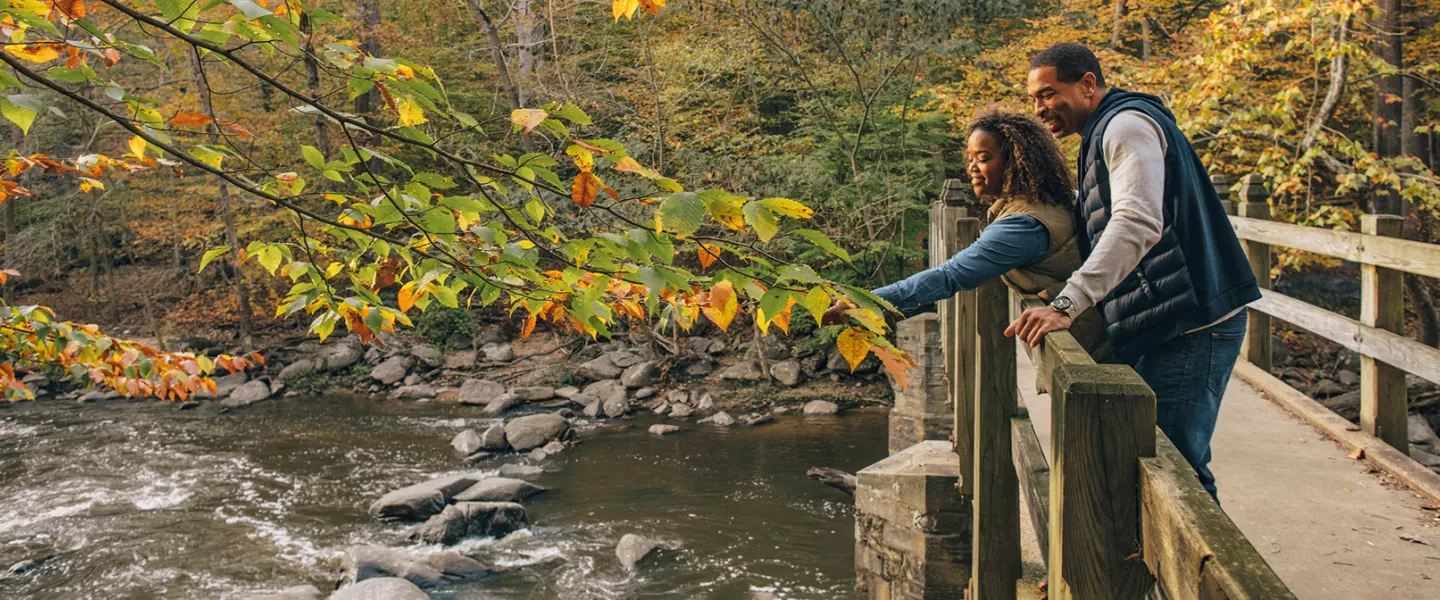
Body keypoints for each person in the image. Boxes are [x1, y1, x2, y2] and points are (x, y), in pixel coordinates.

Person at [1005, 43, 1261, 501]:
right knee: (1147, 460)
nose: (1040, 108)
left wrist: (1068, 302)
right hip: (1165, 319)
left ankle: (1207, 571)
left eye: (1048, 94)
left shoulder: (1125, 126)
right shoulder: (1101, 134)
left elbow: (1137, 220)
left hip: (1193, 323)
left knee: (1176, 471)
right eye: (1034, 98)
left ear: (1087, 85)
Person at [824, 109, 1109, 360]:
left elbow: (950, 276)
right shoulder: (1057, 199)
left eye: (984, 158)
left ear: (1017, 161)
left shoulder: (1023, 225)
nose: (972, 167)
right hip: (1098, 337)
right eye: (970, 158)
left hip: (1091, 352)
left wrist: (867, 300)